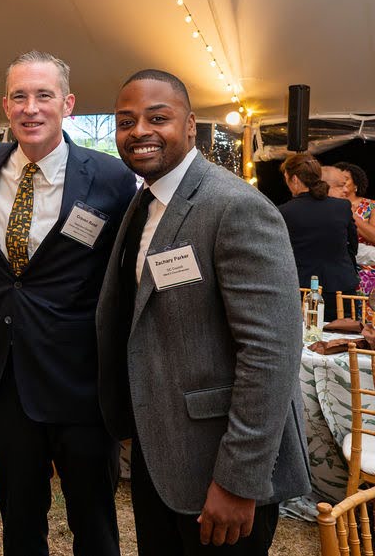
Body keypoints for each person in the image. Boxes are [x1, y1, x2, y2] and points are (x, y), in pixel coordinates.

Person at [98, 69, 310, 555]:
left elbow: (272, 353)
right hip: (163, 454)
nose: (140, 132)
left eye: (158, 117)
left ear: (191, 125)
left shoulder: (235, 206)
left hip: (221, 467)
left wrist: (239, 481)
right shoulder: (144, 204)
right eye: (126, 121)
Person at [0, 51, 135, 556]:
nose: (31, 108)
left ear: (68, 104)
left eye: (43, 96)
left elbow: (123, 274)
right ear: (5, 105)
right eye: (20, 96)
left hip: (80, 378)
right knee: (19, 517)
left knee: (94, 519)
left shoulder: (110, 178)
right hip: (7, 375)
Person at [279, 153, 357, 310]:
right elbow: (353, 246)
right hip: (341, 286)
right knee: (345, 333)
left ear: (294, 179)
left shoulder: (283, 212)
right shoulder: (342, 207)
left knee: (306, 333)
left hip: (301, 289)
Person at [336, 162, 375, 295]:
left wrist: (351, 215)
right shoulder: (329, 206)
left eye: (345, 179)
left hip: (366, 272)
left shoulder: (371, 206)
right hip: (338, 269)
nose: (341, 182)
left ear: (356, 184)